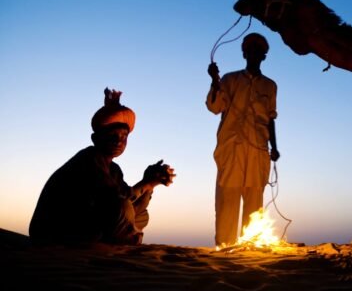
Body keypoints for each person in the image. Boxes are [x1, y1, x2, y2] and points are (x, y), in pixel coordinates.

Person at [29, 88, 175, 246]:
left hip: (87, 225)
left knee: (140, 214)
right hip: (55, 232)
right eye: (112, 135)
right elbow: (119, 199)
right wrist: (147, 182)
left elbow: (129, 198)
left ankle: (121, 236)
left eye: (124, 137)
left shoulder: (114, 169)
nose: (119, 141)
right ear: (96, 138)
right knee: (123, 207)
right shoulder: (89, 159)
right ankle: (121, 239)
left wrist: (151, 183)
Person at [206, 32, 280, 247]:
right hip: (231, 147)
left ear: (264, 56)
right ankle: (225, 245)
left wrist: (274, 147)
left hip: (258, 149)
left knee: (254, 199)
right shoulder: (229, 80)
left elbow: (271, 118)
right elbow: (215, 107)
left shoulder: (270, 86)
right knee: (227, 198)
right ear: (244, 53)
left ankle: (250, 246)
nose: (254, 54)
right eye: (250, 50)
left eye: (258, 51)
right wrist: (214, 81)